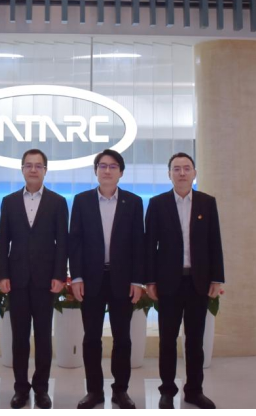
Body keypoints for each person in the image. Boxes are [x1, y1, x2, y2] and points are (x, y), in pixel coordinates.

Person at [145, 152, 224, 409]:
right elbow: (150, 246)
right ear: (169, 174)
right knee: (167, 339)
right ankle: (167, 390)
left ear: (194, 173)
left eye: (186, 168)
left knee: (195, 340)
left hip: (198, 282)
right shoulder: (157, 204)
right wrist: (150, 280)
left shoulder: (206, 203)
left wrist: (217, 278)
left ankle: (194, 390)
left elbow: (214, 243)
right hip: (168, 283)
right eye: (176, 169)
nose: (181, 173)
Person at [69, 149, 145, 409]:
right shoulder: (82, 201)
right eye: (103, 166)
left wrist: (137, 281)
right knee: (91, 338)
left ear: (121, 172)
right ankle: (94, 391)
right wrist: (76, 277)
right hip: (91, 279)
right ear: (96, 171)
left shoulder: (133, 202)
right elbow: (75, 242)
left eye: (113, 166)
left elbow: (138, 244)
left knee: (123, 338)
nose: (107, 170)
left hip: (122, 280)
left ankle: (120, 391)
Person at [0, 149, 68, 409]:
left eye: (38, 165)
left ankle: (41, 388)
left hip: (45, 280)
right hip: (16, 279)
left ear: (45, 170)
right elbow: (3, 240)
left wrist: (59, 275)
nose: (33, 169)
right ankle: (20, 388)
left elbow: (62, 243)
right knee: (19, 337)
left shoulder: (58, 202)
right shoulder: (9, 201)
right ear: (22, 169)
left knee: (43, 337)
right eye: (29, 165)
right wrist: (2, 274)